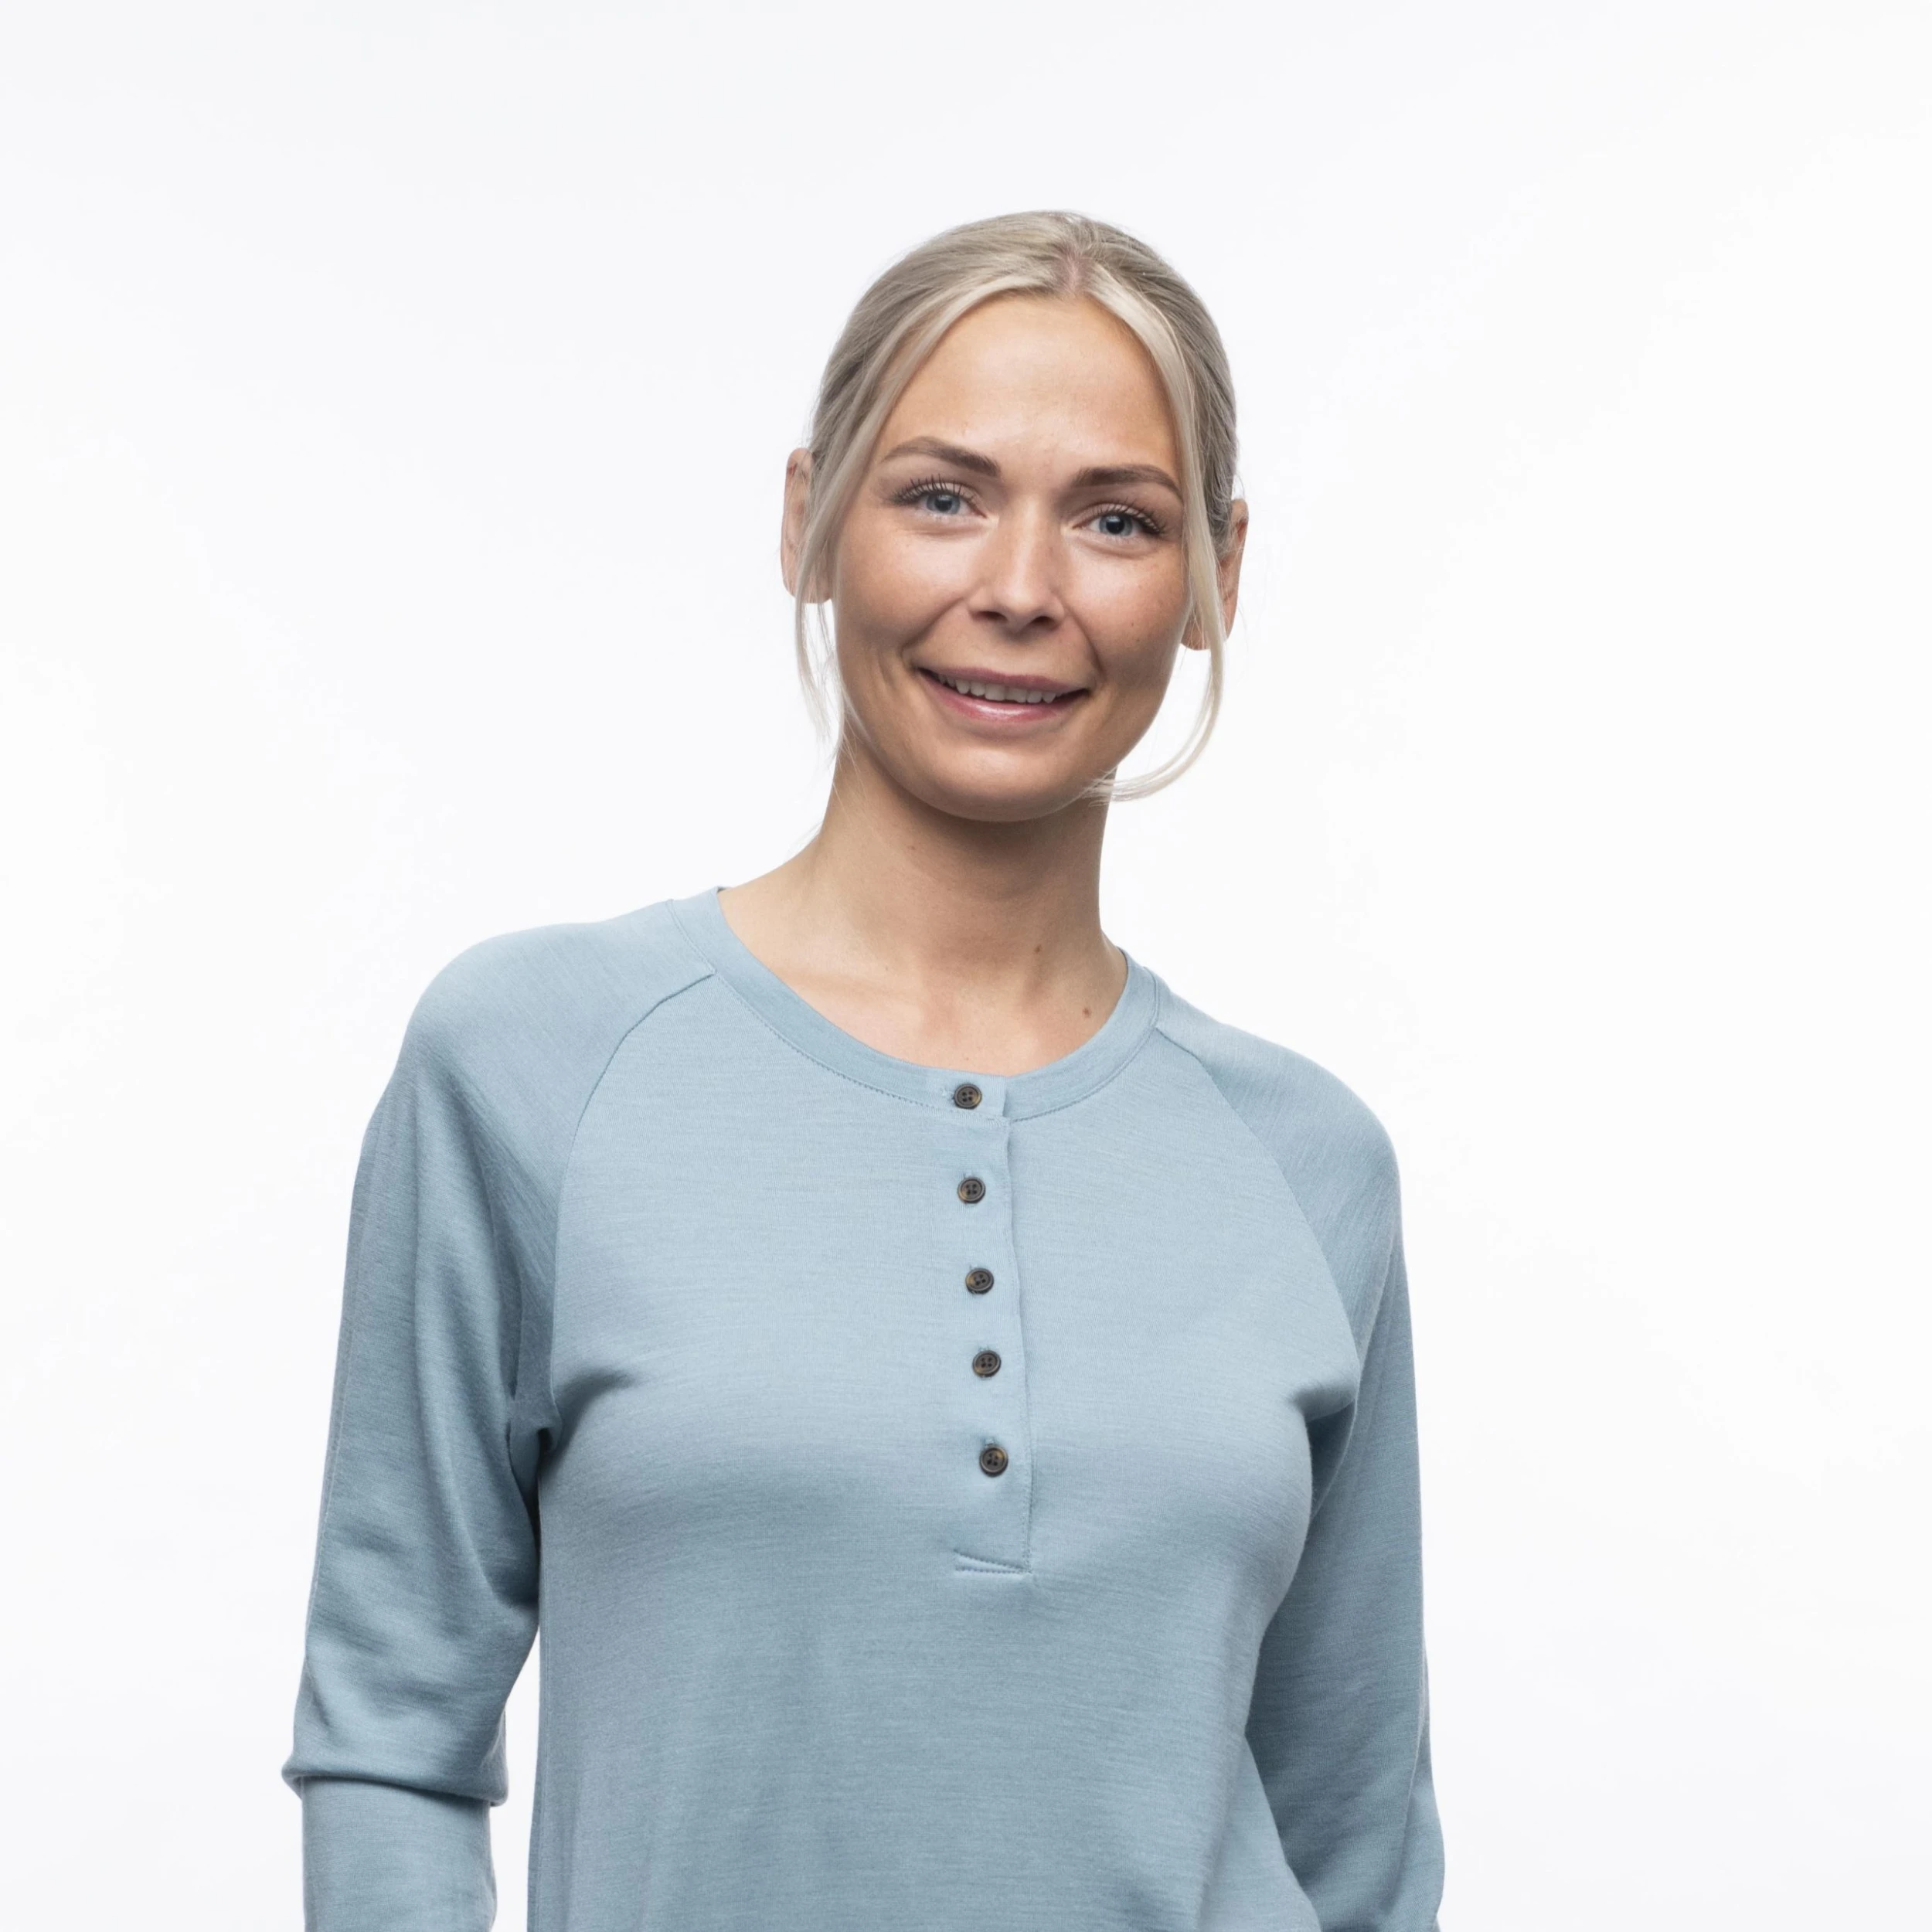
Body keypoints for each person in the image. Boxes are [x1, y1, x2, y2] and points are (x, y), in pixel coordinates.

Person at [282, 209, 1444, 1932]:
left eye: (1116, 519)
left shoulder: (1307, 1162)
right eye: (943, 496)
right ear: (808, 523)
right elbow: (390, 1724)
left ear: (1216, 571)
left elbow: (1358, 1842)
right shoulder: (535, 1059)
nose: (1022, 589)